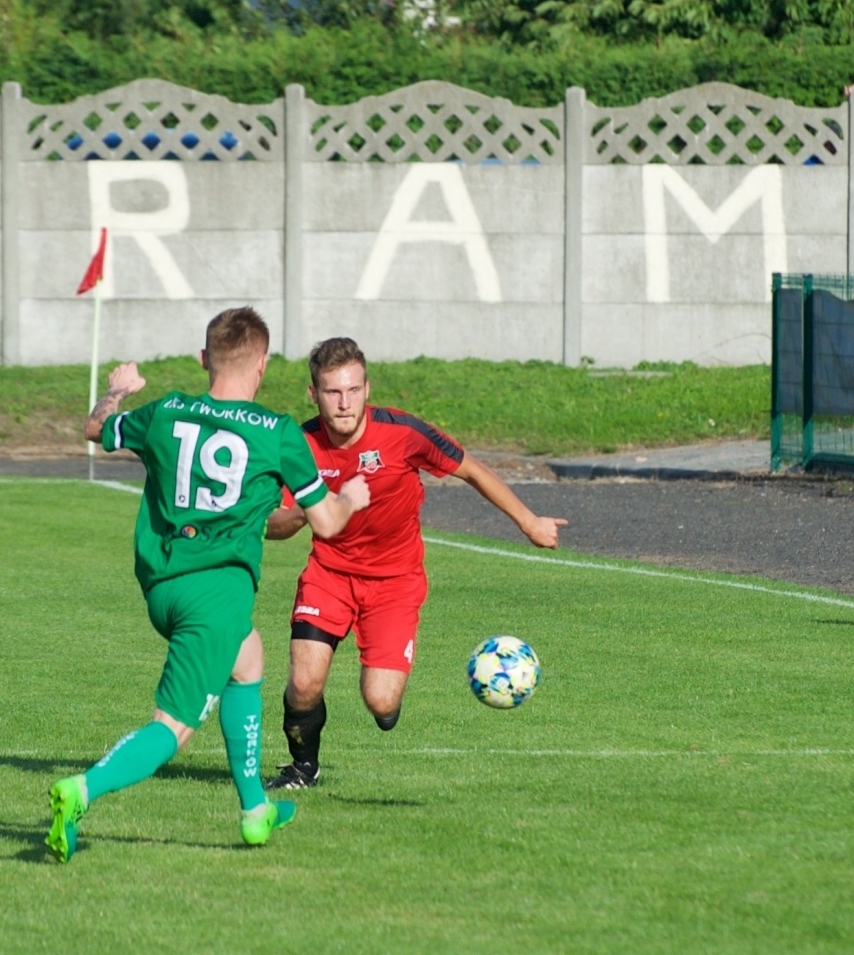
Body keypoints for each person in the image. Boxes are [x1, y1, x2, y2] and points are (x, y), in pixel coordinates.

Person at [45, 308, 371, 862]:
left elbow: (96, 429)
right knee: (172, 730)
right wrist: (349, 499)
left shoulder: (166, 411)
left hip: (163, 588)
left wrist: (117, 389)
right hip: (214, 595)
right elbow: (327, 524)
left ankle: (255, 811)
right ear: (262, 364)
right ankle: (81, 790)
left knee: (248, 659)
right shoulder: (278, 433)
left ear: (204, 359)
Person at [261, 337, 568, 789]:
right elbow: (273, 524)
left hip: (395, 582)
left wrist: (528, 521)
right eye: (332, 392)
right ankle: (303, 767)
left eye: (353, 390)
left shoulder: (404, 433)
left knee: (381, 703)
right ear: (313, 394)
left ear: (367, 389)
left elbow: (471, 469)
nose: (344, 403)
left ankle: (386, 689)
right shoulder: (299, 445)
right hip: (330, 574)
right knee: (304, 682)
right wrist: (315, 508)